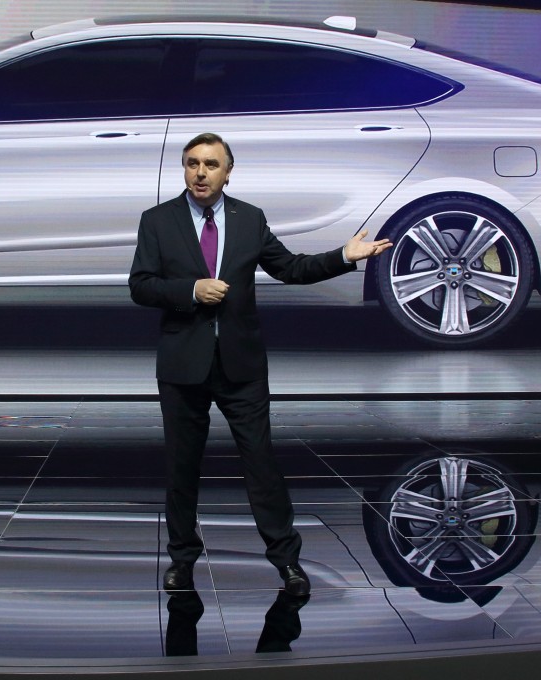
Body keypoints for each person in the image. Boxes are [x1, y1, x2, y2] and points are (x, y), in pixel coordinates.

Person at [128, 132, 391, 596]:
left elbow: (290, 268)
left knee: (262, 465)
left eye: (211, 164)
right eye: (192, 163)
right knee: (182, 470)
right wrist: (190, 291)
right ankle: (182, 561)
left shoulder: (249, 219)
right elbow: (141, 285)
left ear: (229, 172)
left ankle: (287, 561)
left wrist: (344, 257)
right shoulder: (157, 220)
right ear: (183, 169)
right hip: (183, 366)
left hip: (241, 366)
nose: (200, 172)